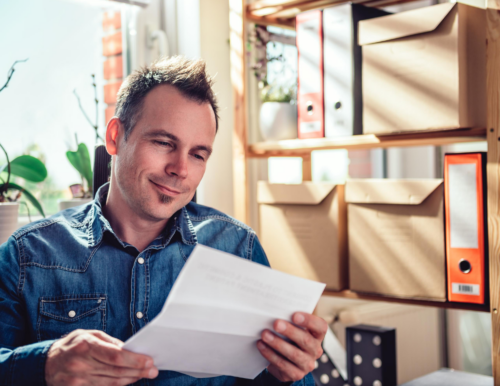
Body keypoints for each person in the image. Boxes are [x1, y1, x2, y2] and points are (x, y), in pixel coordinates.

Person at [0, 56, 327, 386]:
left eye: (198, 154)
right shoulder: (27, 255)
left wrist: (289, 373)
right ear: (115, 137)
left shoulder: (238, 247)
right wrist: (45, 365)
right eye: (163, 143)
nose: (181, 169)